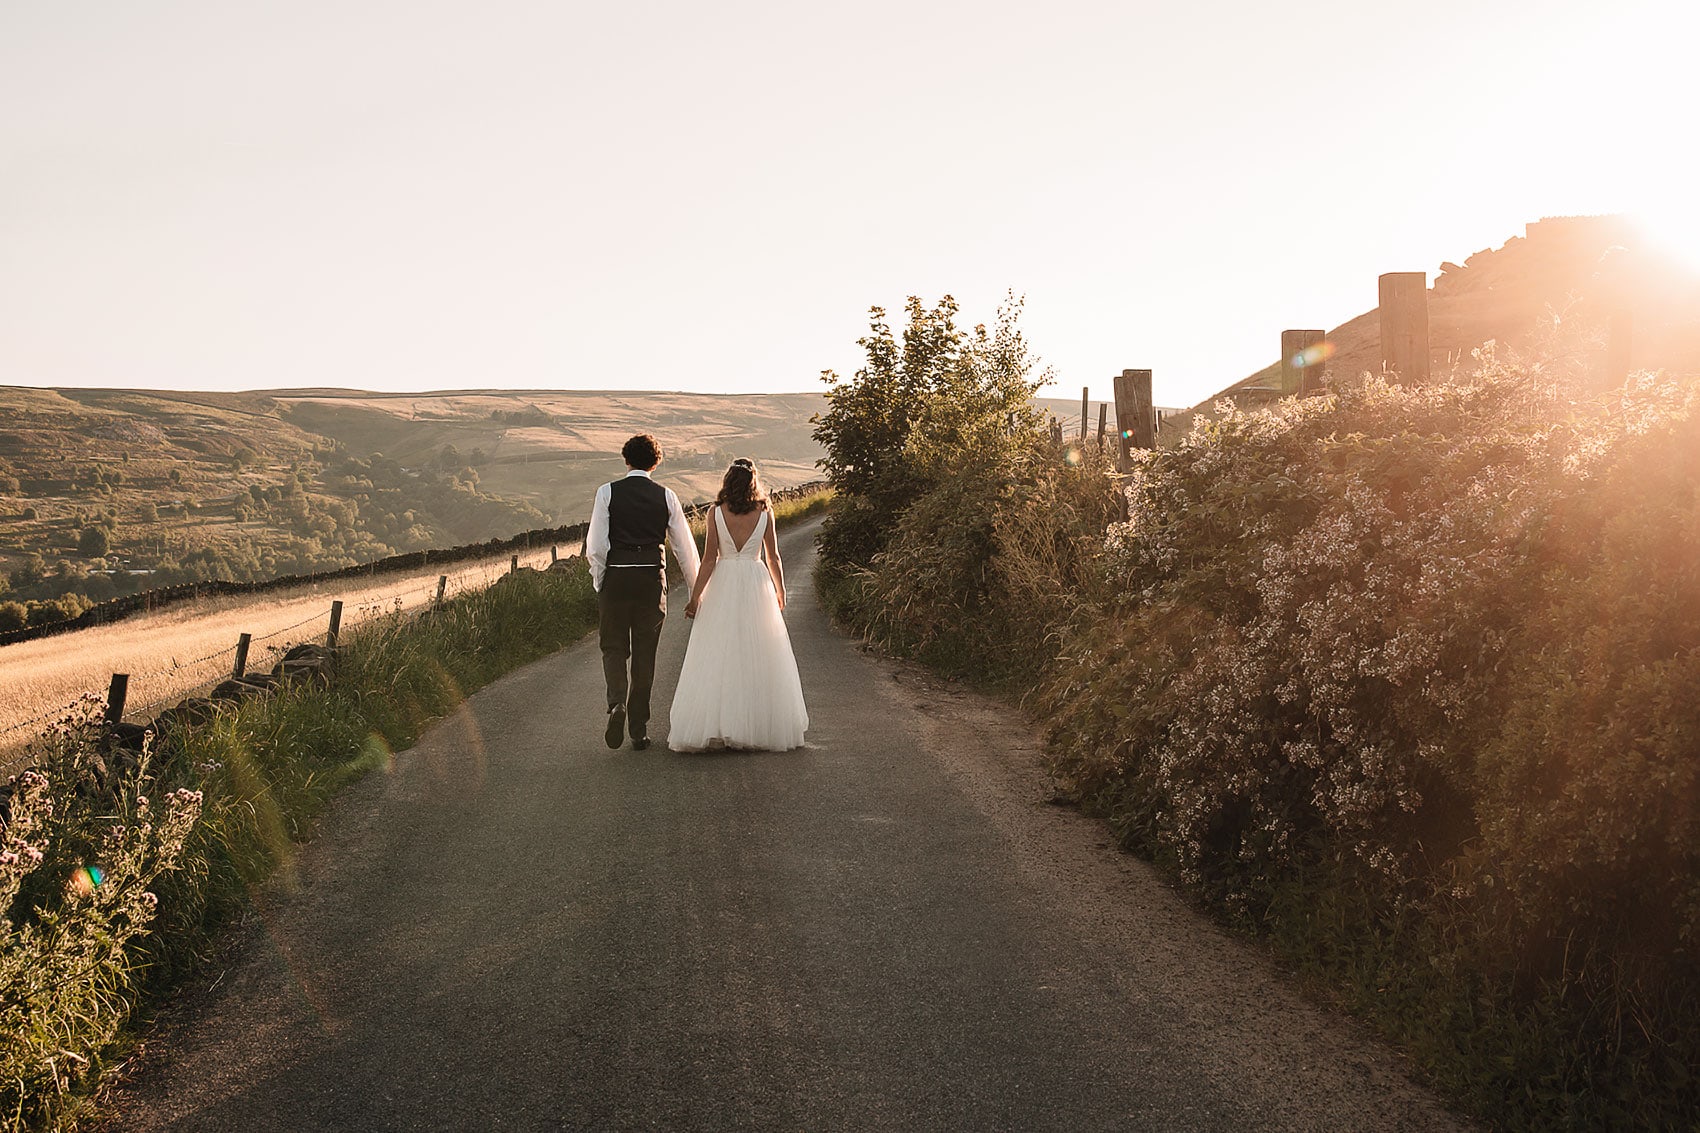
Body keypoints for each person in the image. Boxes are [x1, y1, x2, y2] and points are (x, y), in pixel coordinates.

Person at [668, 459, 809, 752]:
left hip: (724, 581)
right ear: (753, 483)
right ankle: (755, 725)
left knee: (720, 651)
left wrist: (695, 597)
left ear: (728, 482)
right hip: (756, 582)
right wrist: (780, 590)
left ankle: (720, 725)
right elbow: (774, 557)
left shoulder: (715, 513)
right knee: (758, 651)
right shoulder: (765, 512)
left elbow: (708, 559)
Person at [586, 434, 700, 751]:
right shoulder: (667, 496)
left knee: (613, 647)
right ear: (655, 462)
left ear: (626, 460)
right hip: (651, 580)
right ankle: (638, 728)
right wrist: (695, 593)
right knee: (645, 654)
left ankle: (616, 704)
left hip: (617, 579)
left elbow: (596, 546)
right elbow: (685, 550)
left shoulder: (607, 492)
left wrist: (601, 581)